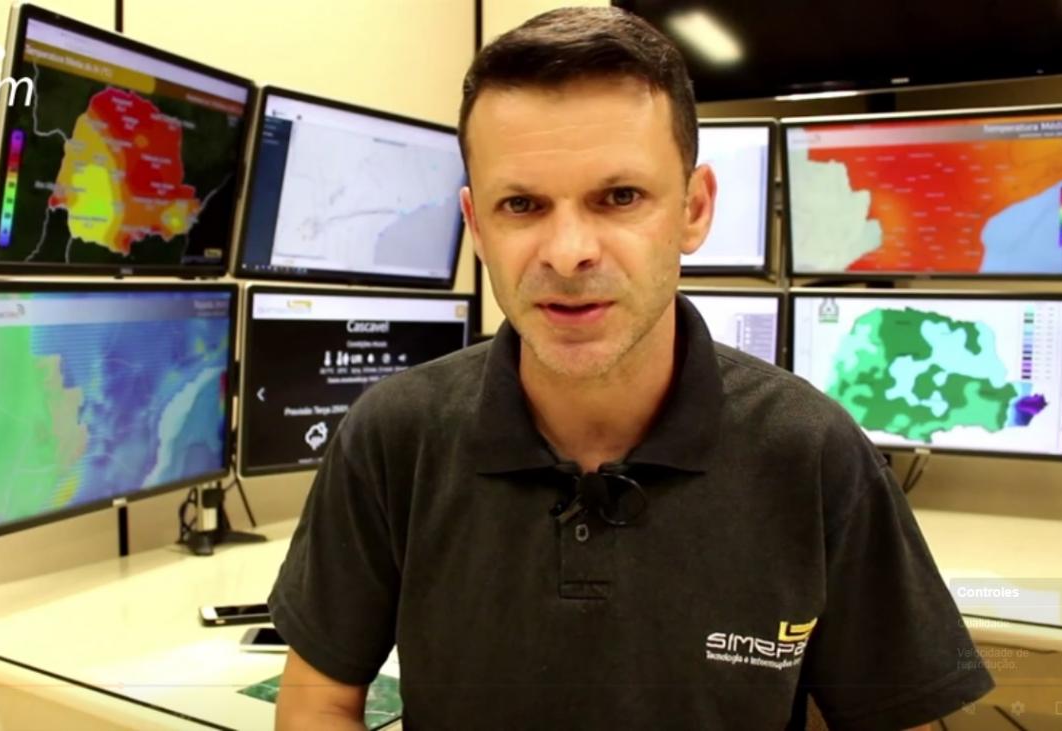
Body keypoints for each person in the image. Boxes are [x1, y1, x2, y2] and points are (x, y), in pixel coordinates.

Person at [267, 7, 994, 729]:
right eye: (521, 204)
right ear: (478, 226)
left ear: (694, 209)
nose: (568, 253)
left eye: (619, 197)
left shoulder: (813, 453)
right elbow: (317, 702)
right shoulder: (393, 436)